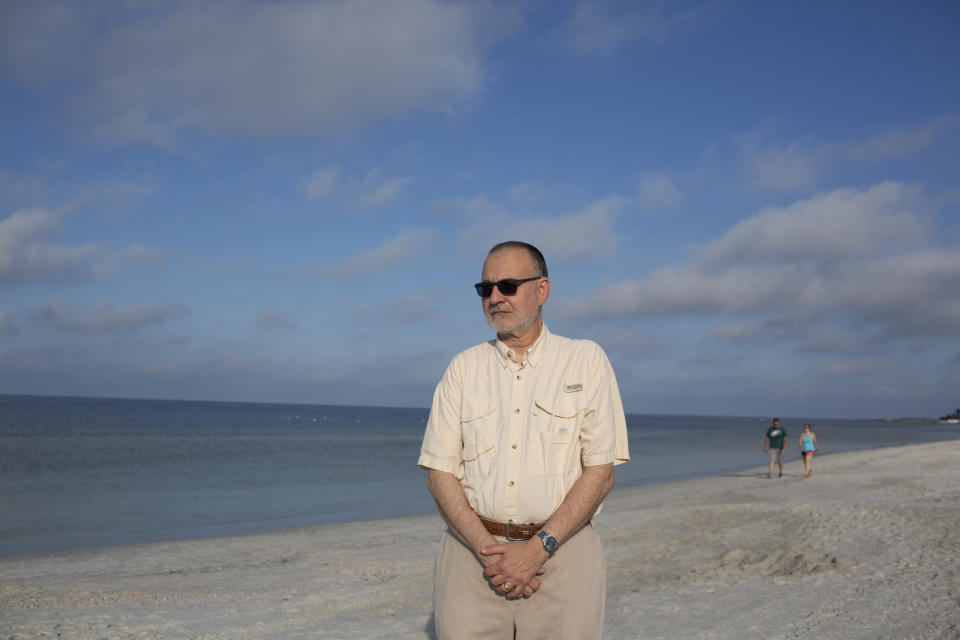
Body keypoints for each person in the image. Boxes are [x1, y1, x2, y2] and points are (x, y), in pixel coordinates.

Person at [418, 241, 630, 640]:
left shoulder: (585, 360)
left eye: (508, 285)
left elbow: (600, 473)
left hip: (564, 555)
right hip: (472, 557)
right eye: (486, 289)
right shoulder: (463, 368)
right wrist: (491, 554)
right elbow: (439, 473)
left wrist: (538, 548)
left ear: (542, 289)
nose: (495, 297)